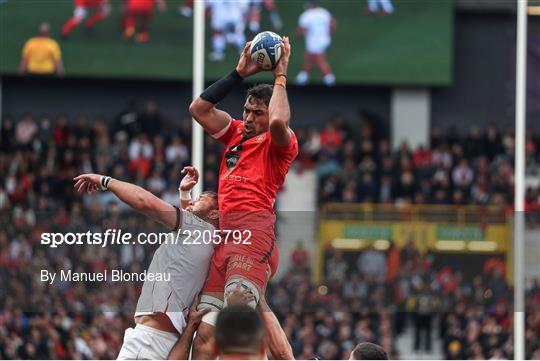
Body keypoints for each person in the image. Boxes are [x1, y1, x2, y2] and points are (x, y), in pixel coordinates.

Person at [188, 36, 297, 359]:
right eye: (247, 111)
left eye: (256, 113)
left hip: (253, 234)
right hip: (225, 238)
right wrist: (238, 74)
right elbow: (199, 109)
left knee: (237, 317)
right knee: (205, 335)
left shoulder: (280, 145)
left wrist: (280, 76)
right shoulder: (236, 132)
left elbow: (278, 121)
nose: (249, 119)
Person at [73, 166, 217, 359]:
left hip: (148, 343)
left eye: (201, 199)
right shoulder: (210, 242)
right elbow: (186, 240)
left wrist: (105, 181)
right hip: (165, 343)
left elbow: (145, 202)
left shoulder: (199, 231)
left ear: (215, 214)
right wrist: (184, 193)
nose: (193, 200)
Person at [295, 1, 336, 86]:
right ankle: (304, 75)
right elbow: (333, 23)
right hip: (325, 39)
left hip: (314, 42)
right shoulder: (323, 12)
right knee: (308, 57)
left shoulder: (306, 15)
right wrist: (329, 34)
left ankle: (329, 78)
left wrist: (296, 35)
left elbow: (302, 30)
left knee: (319, 59)